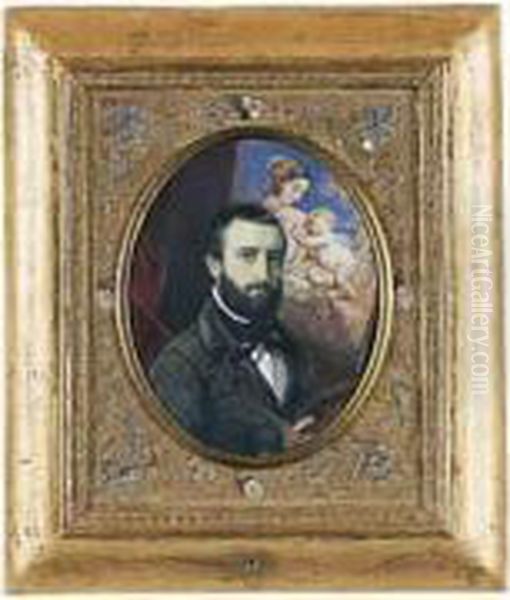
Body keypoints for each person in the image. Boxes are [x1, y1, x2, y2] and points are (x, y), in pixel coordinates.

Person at [150, 204, 320, 458]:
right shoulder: (179, 365)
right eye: (247, 256)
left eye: (273, 258)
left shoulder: (293, 348)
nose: (263, 274)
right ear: (215, 266)